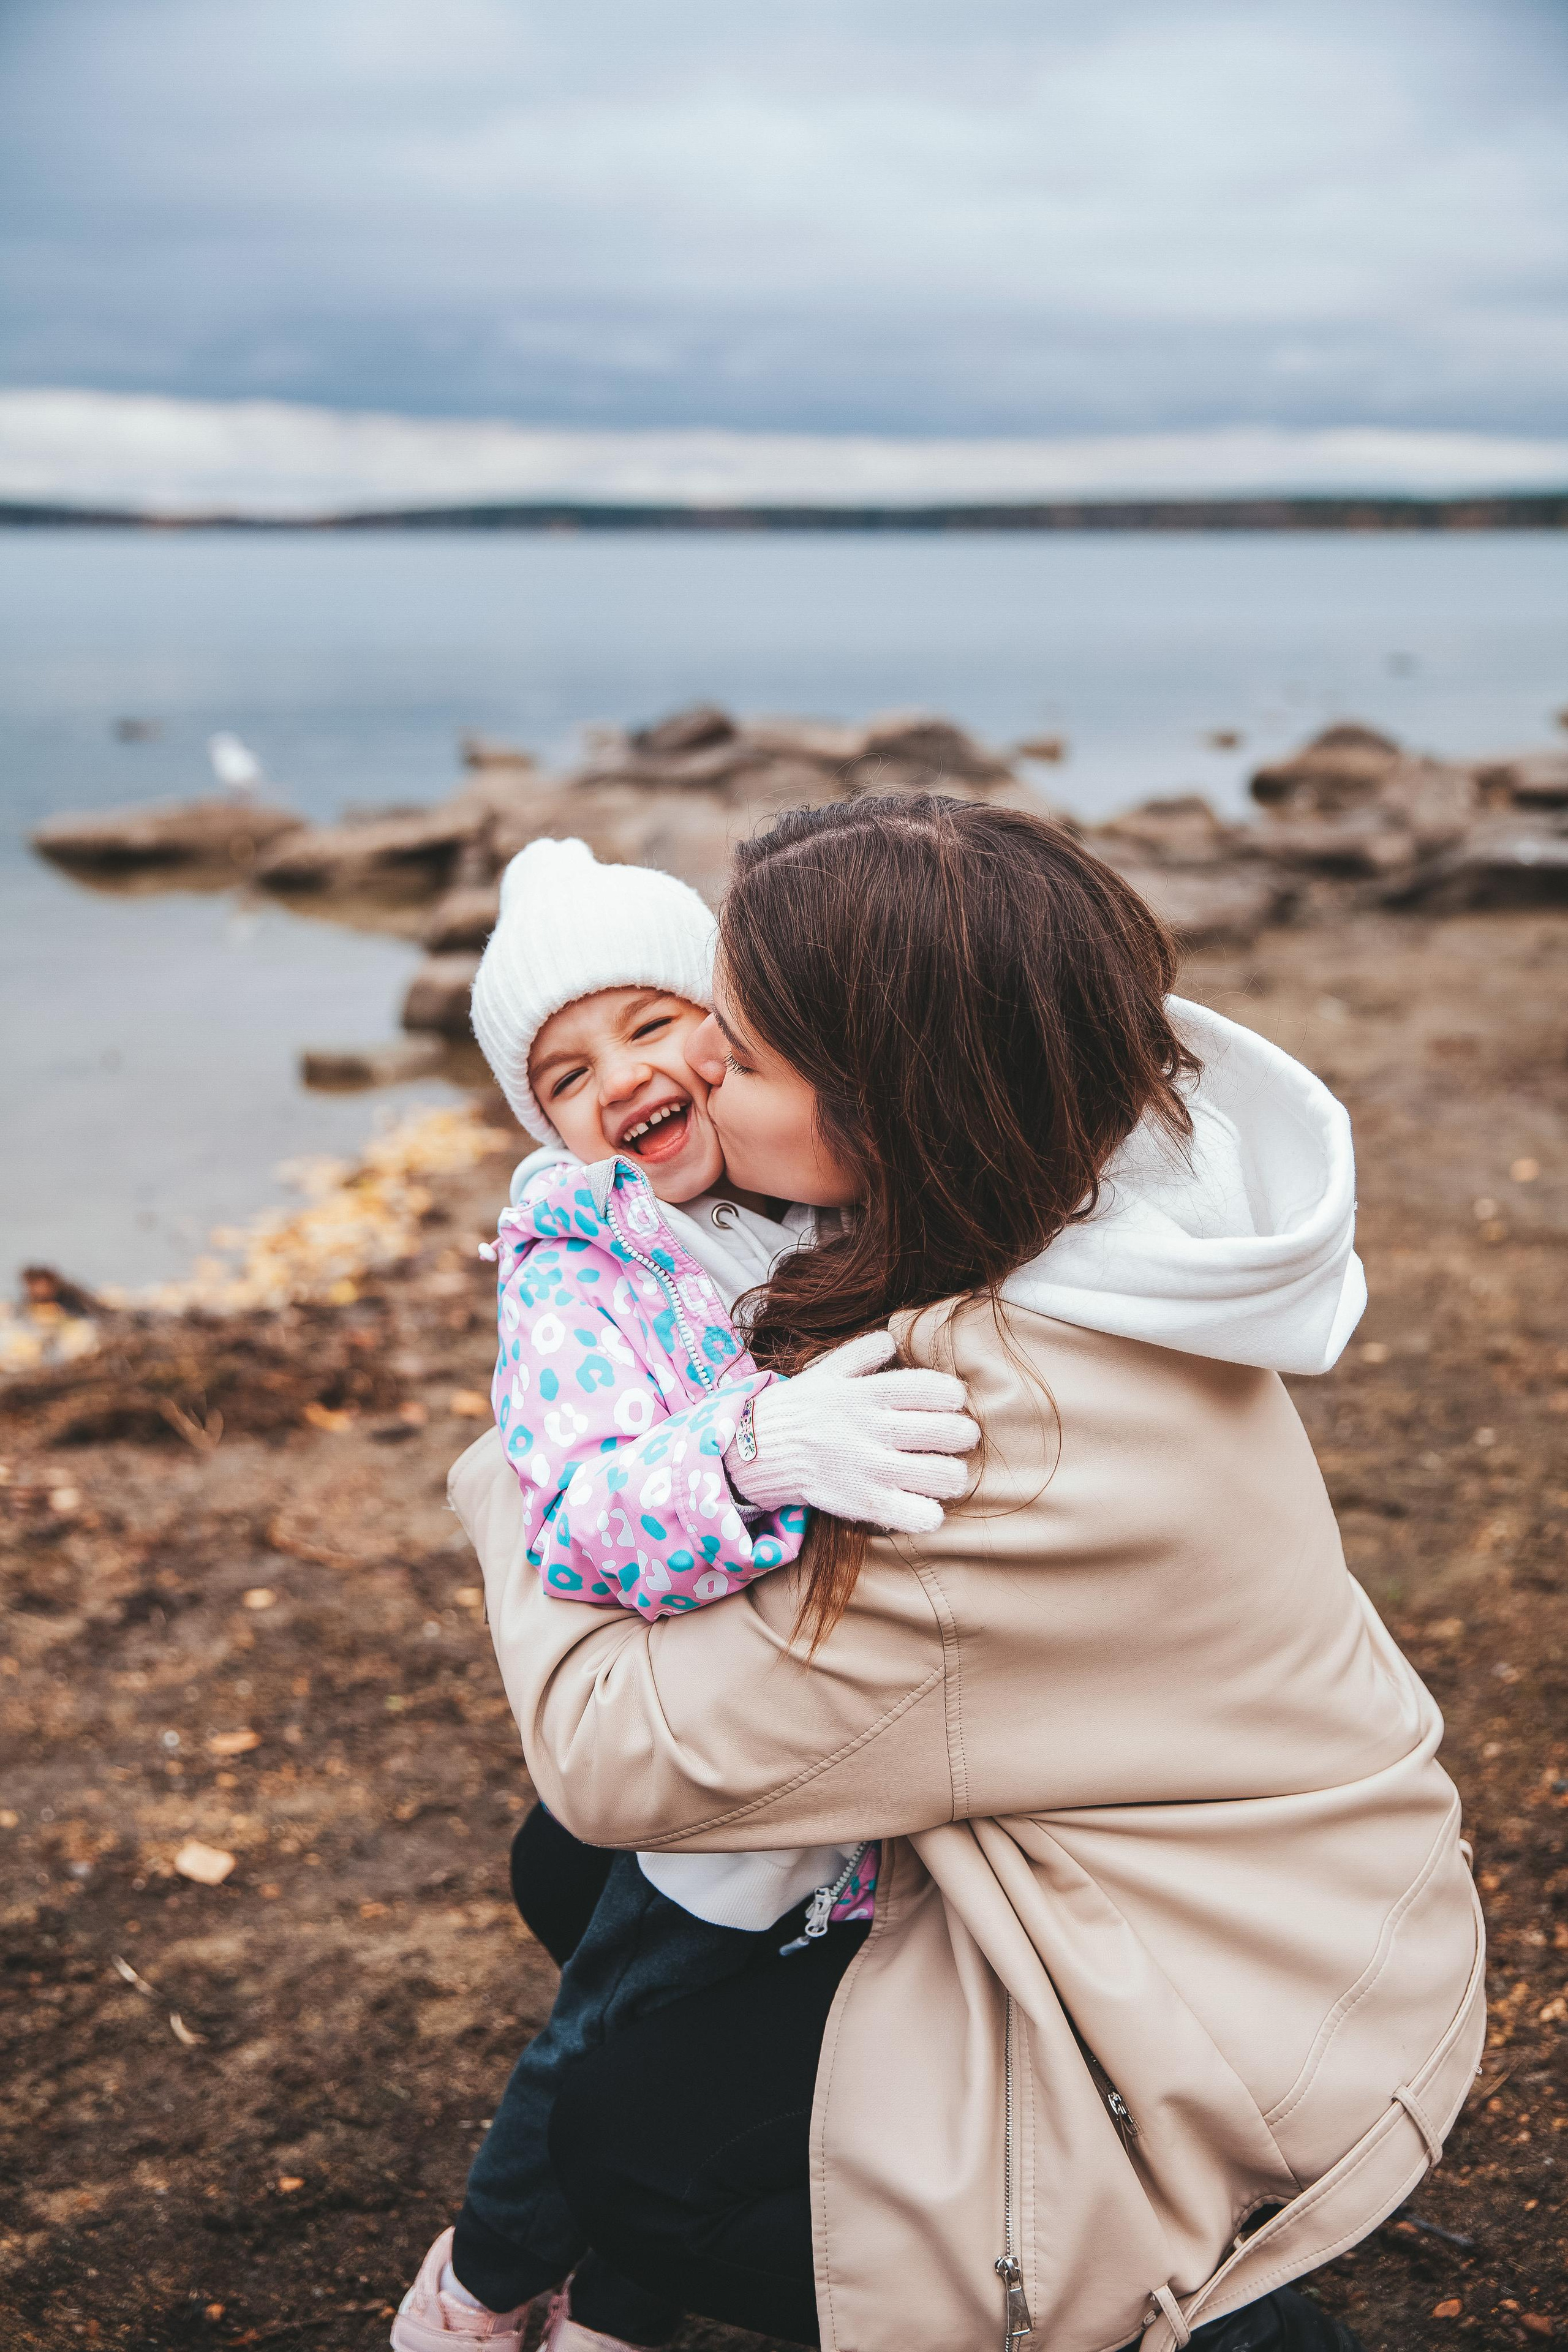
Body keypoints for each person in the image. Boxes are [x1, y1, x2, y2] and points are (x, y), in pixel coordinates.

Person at [448, 796, 1483, 2352]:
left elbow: (611, 1751)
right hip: (1243, 1849)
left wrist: (510, 1470)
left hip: (1238, 1998)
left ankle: (1196, 2300)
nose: (693, 1079)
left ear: (884, 1096)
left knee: (629, 2139)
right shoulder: (1077, 1195)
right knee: (568, 1877)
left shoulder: (974, 1427)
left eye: (733, 1045)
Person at [393, 837, 976, 2352]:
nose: (624, 1077)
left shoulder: (819, 1190)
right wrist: (753, 1447)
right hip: (715, 1759)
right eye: (566, 1071)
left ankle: (625, 2310)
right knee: (613, 2032)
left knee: (764, 2071)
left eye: (654, 1023)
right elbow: (578, 1516)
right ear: (545, 1126)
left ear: (734, 1025)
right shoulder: (579, 1264)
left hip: (874, 1758)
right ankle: (478, 2286)